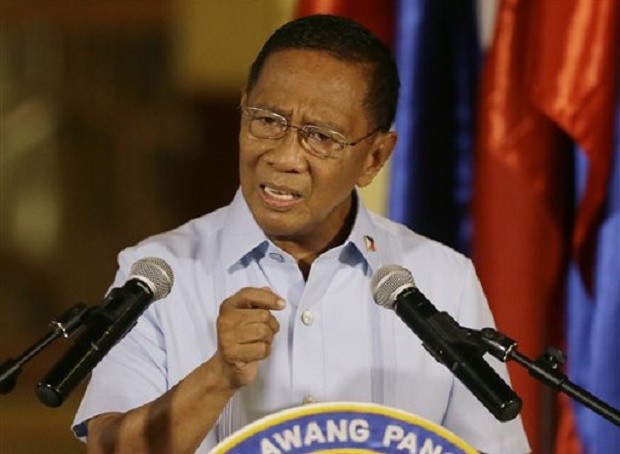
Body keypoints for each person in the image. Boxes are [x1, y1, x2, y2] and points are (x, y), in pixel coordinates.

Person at [73, 14, 530, 453]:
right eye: (268, 121)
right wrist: (216, 376)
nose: (285, 156)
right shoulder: (159, 273)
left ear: (374, 158)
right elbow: (108, 450)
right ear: (242, 108)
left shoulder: (440, 279)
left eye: (321, 137)